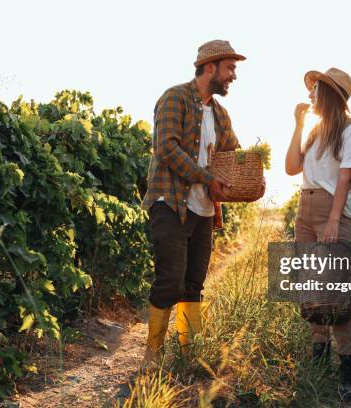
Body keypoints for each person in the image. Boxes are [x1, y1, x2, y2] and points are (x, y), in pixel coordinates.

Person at [141, 40, 264, 366]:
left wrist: (254, 180)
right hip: (170, 203)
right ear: (210, 67)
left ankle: (188, 355)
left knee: (193, 284)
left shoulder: (221, 115)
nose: (233, 76)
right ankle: (152, 354)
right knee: (171, 279)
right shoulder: (174, 98)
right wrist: (207, 178)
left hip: (204, 210)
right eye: (230, 68)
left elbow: (234, 158)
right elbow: (166, 149)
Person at [284, 67, 351, 403]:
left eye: (315, 90)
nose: (309, 95)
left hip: (331, 213)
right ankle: (319, 351)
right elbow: (291, 168)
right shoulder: (317, 131)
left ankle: (348, 365)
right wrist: (298, 125)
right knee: (312, 288)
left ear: (331, 94)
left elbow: (345, 180)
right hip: (305, 211)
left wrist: (334, 220)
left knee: (334, 291)